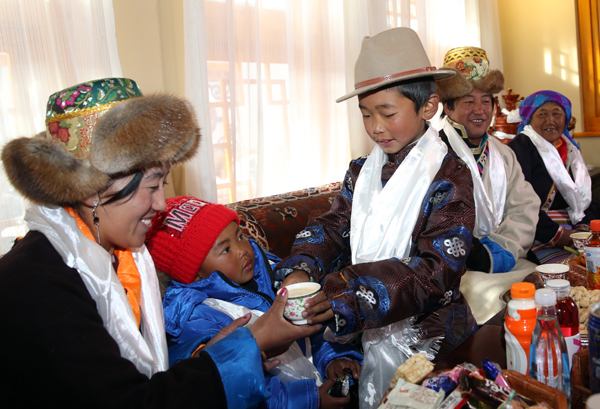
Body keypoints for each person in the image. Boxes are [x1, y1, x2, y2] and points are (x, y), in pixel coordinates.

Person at [0, 78, 320, 408]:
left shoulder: (123, 259)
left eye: (163, 184)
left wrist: (209, 356)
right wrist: (254, 340)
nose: (161, 205)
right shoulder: (35, 284)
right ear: (91, 189)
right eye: (152, 187)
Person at [274, 27, 478, 408]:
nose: (375, 127)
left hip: (433, 339)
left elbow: (436, 270)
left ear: (428, 107)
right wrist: (301, 268)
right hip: (365, 330)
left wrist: (348, 292)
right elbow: (335, 226)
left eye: (387, 113)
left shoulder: (450, 176)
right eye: (366, 114)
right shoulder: (361, 171)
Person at [145, 196, 363, 409]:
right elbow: (238, 387)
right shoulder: (196, 317)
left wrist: (333, 358)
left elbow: (309, 325)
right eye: (226, 249)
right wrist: (310, 400)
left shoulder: (268, 269)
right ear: (195, 274)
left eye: (240, 236)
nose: (242, 250)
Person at [434, 46, 541, 324]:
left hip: (505, 258)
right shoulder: (430, 155)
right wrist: (470, 255)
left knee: (544, 288)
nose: (480, 110)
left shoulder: (503, 153)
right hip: (453, 269)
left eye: (486, 101)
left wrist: (500, 251)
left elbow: (525, 207)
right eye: (468, 101)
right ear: (447, 106)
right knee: (496, 304)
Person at [508, 90, 597, 263]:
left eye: (557, 113)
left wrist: (584, 229)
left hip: (573, 228)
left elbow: (585, 197)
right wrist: (558, 235)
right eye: (542, 114)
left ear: (566, 119)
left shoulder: (571, 149)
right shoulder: (520, 147)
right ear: (529, 119)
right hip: (537, 231)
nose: (550, 120)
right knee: (574, 269)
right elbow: (521, 201)